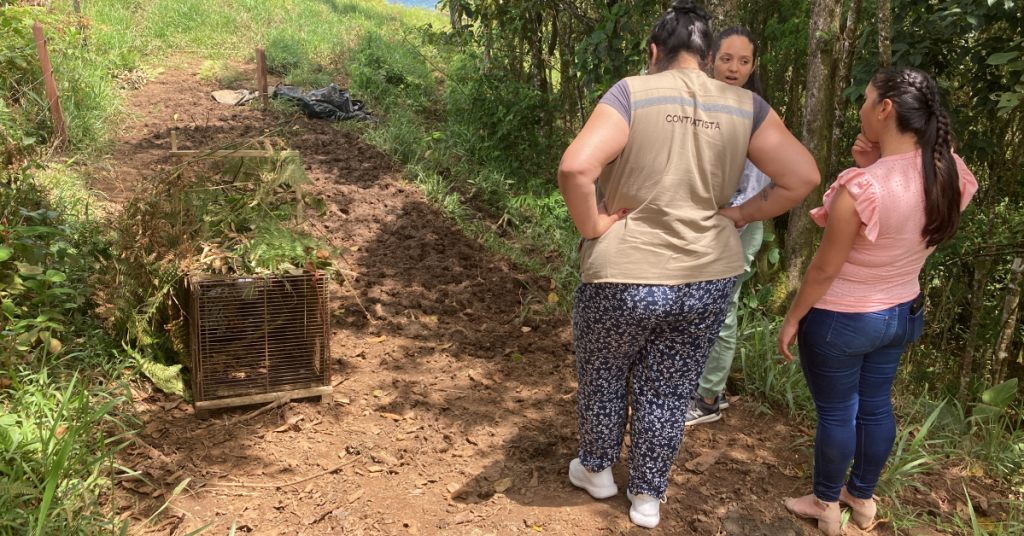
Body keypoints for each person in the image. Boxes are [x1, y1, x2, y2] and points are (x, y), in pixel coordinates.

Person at [558, 0, 820, 528]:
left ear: (654, 52)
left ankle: (599, 471)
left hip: (623, 273)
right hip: (705, 277)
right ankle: (648, 497)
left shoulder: (632, 91)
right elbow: (803, 178)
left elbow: (576, 167)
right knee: (671, 386)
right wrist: (742, 213)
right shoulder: (745, 105)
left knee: (605, 373)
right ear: (704, 57)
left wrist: (595, 227)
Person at [777, 66, 977, 536]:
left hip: (842, 319)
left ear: (885, 109)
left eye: (866, 100)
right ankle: (861, 499)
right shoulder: (951, 171)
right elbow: (904, 224)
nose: (862, 108)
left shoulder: (861, 188)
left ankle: (825, 504)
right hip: (902, 311)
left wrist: (793, 318)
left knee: (836, 413)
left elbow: (825, 268)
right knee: (875, 406)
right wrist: (873, 164)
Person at [685, 26, 772, 426]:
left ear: (753, 66)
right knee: (697, 302)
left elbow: (757, 179)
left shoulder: (754, 110)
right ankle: (698, 382)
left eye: (743, 61)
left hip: (740, 220)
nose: (734, 68)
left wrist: (734, 216)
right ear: (710, 60)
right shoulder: (702, 102)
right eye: (726, 58)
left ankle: (708, 397)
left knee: (723, 305)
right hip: (707, 219)